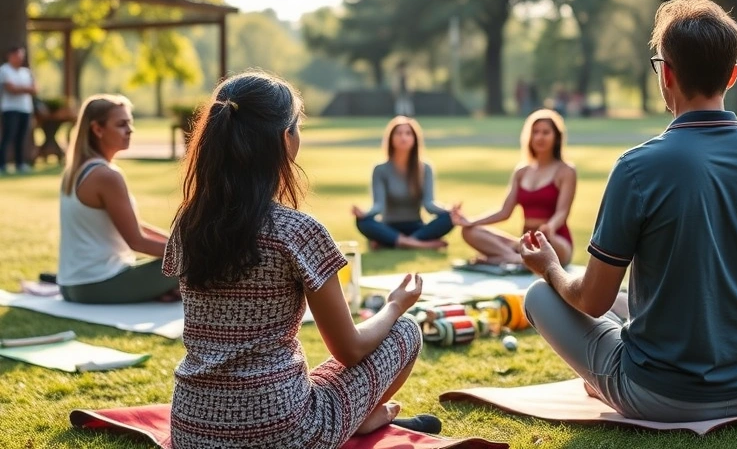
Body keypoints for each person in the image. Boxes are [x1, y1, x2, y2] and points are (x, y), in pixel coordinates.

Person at [519, 0, 737, 422]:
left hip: (660, 396)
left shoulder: (638, 167)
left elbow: (593, 300)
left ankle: (605, 383)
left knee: (541, 296)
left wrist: (549, 267)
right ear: (732, 76)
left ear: (665, 74)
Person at [164, 71, 439, 449]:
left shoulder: (187, 224)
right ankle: (359, 418)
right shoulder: (296, 231)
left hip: (192, 430)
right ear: (284, 138)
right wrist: (394, 306)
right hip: (282, 432)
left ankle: (359, 416)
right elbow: (349, 349)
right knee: (405, 331)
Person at [56, 94, 179, 304]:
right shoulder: (107, 176)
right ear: (97, 129)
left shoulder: (77, 171)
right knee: (199, 265)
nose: (130, 130)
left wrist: (178, 245)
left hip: (72, 285)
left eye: (130, 123)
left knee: (184, 262)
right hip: (96, 284)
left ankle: (169, 289)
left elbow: (132, 226)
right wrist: (192, 257)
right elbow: (136, 241)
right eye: (122, 124)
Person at [454, 109, 577, 267]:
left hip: (555, 241)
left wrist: (550, 227)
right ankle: (514, 258)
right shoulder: (521, 172)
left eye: (546, 132)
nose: (540, 137)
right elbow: (504, 212)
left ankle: (508, 258)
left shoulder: (566, 171)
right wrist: (470, 221)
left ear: (556, 137)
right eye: (535, 132)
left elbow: (562, 212)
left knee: (546, 246)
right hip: (525, 242)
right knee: (469, 232)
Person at [352, 116, 457, 250]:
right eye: (399, 133)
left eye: (408, 133)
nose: (403, 137)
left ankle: (394, 242)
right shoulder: (380, 169)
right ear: (391, 139)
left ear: (414, 139)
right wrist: (364, 213)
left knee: (450, 218)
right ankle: (417, 244)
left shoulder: (425, 168)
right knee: (363, 222)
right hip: (389, 226)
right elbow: (378, 206)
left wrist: (449, 210)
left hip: (416, 227)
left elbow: (429, 204)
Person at [0, 46, 36, 174]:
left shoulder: (26, 72)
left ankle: (20, 163)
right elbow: (11, 89)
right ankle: (2, 164)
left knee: (21, 137)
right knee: (8, 136)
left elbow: (35, 89)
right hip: (10, 109)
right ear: (10, 56)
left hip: (25, 109)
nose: (20, 58)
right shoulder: (4, 70)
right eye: (17, 55)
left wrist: (21, 89)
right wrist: (26, 89)